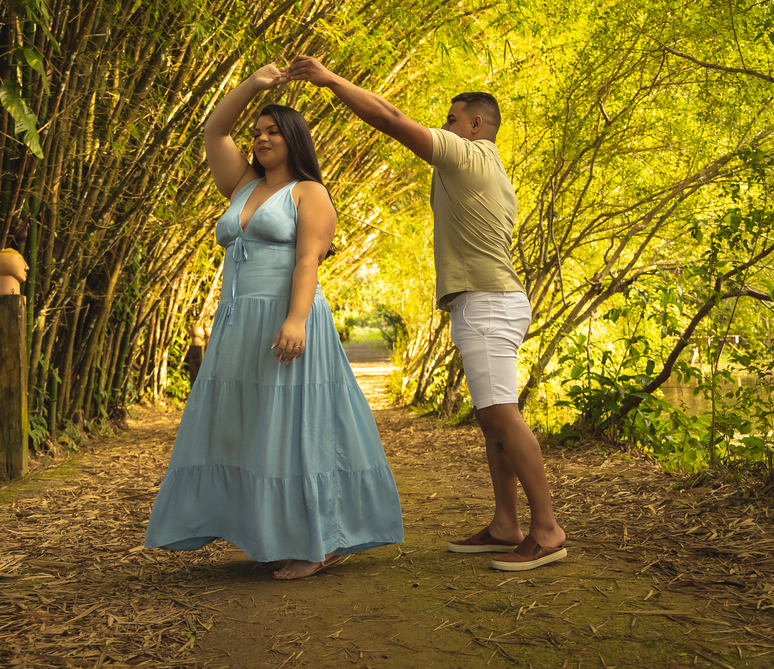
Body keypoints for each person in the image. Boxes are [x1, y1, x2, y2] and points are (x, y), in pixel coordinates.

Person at [287, 56, 566, 572]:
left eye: (452, 119)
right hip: (485, 301)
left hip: (487, 301)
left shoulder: (472, 157)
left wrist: (330, 80)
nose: (445, 127)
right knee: (492, 420)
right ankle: (506, 524)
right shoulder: (485, 171)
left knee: (501, 412)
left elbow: (391, 119)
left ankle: (546, 530)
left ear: (476, 126)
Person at [144, 64, 404, 580]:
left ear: (294, 140)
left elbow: (307, 260)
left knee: (297, 428)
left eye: (272, 131)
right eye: (257, 132)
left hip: (288, 316)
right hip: (238, 322)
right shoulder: (242, 184)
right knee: (252, 427)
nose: (261, 138)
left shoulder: (310, 192)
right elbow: (213, 130)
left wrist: (296, 320)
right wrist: (254, 86)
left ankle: (317, 541)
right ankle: (266, 531)